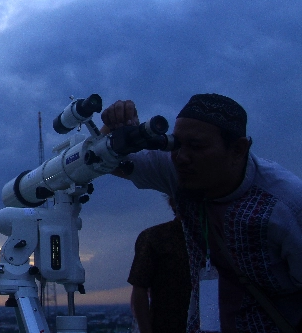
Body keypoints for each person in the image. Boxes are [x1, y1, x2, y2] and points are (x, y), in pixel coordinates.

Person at [101, 94, 302, 333]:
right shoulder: (180, 169)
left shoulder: (286, 204)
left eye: (197, 147)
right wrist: (114, 131)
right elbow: (105, 160)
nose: (181, 157)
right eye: (176, 144)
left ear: (239, 149)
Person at [128, 195, 191, 333]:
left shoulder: (154, 237)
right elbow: (139, 290)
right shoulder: (154, 238)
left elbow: (139, 289)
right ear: (172, 201)